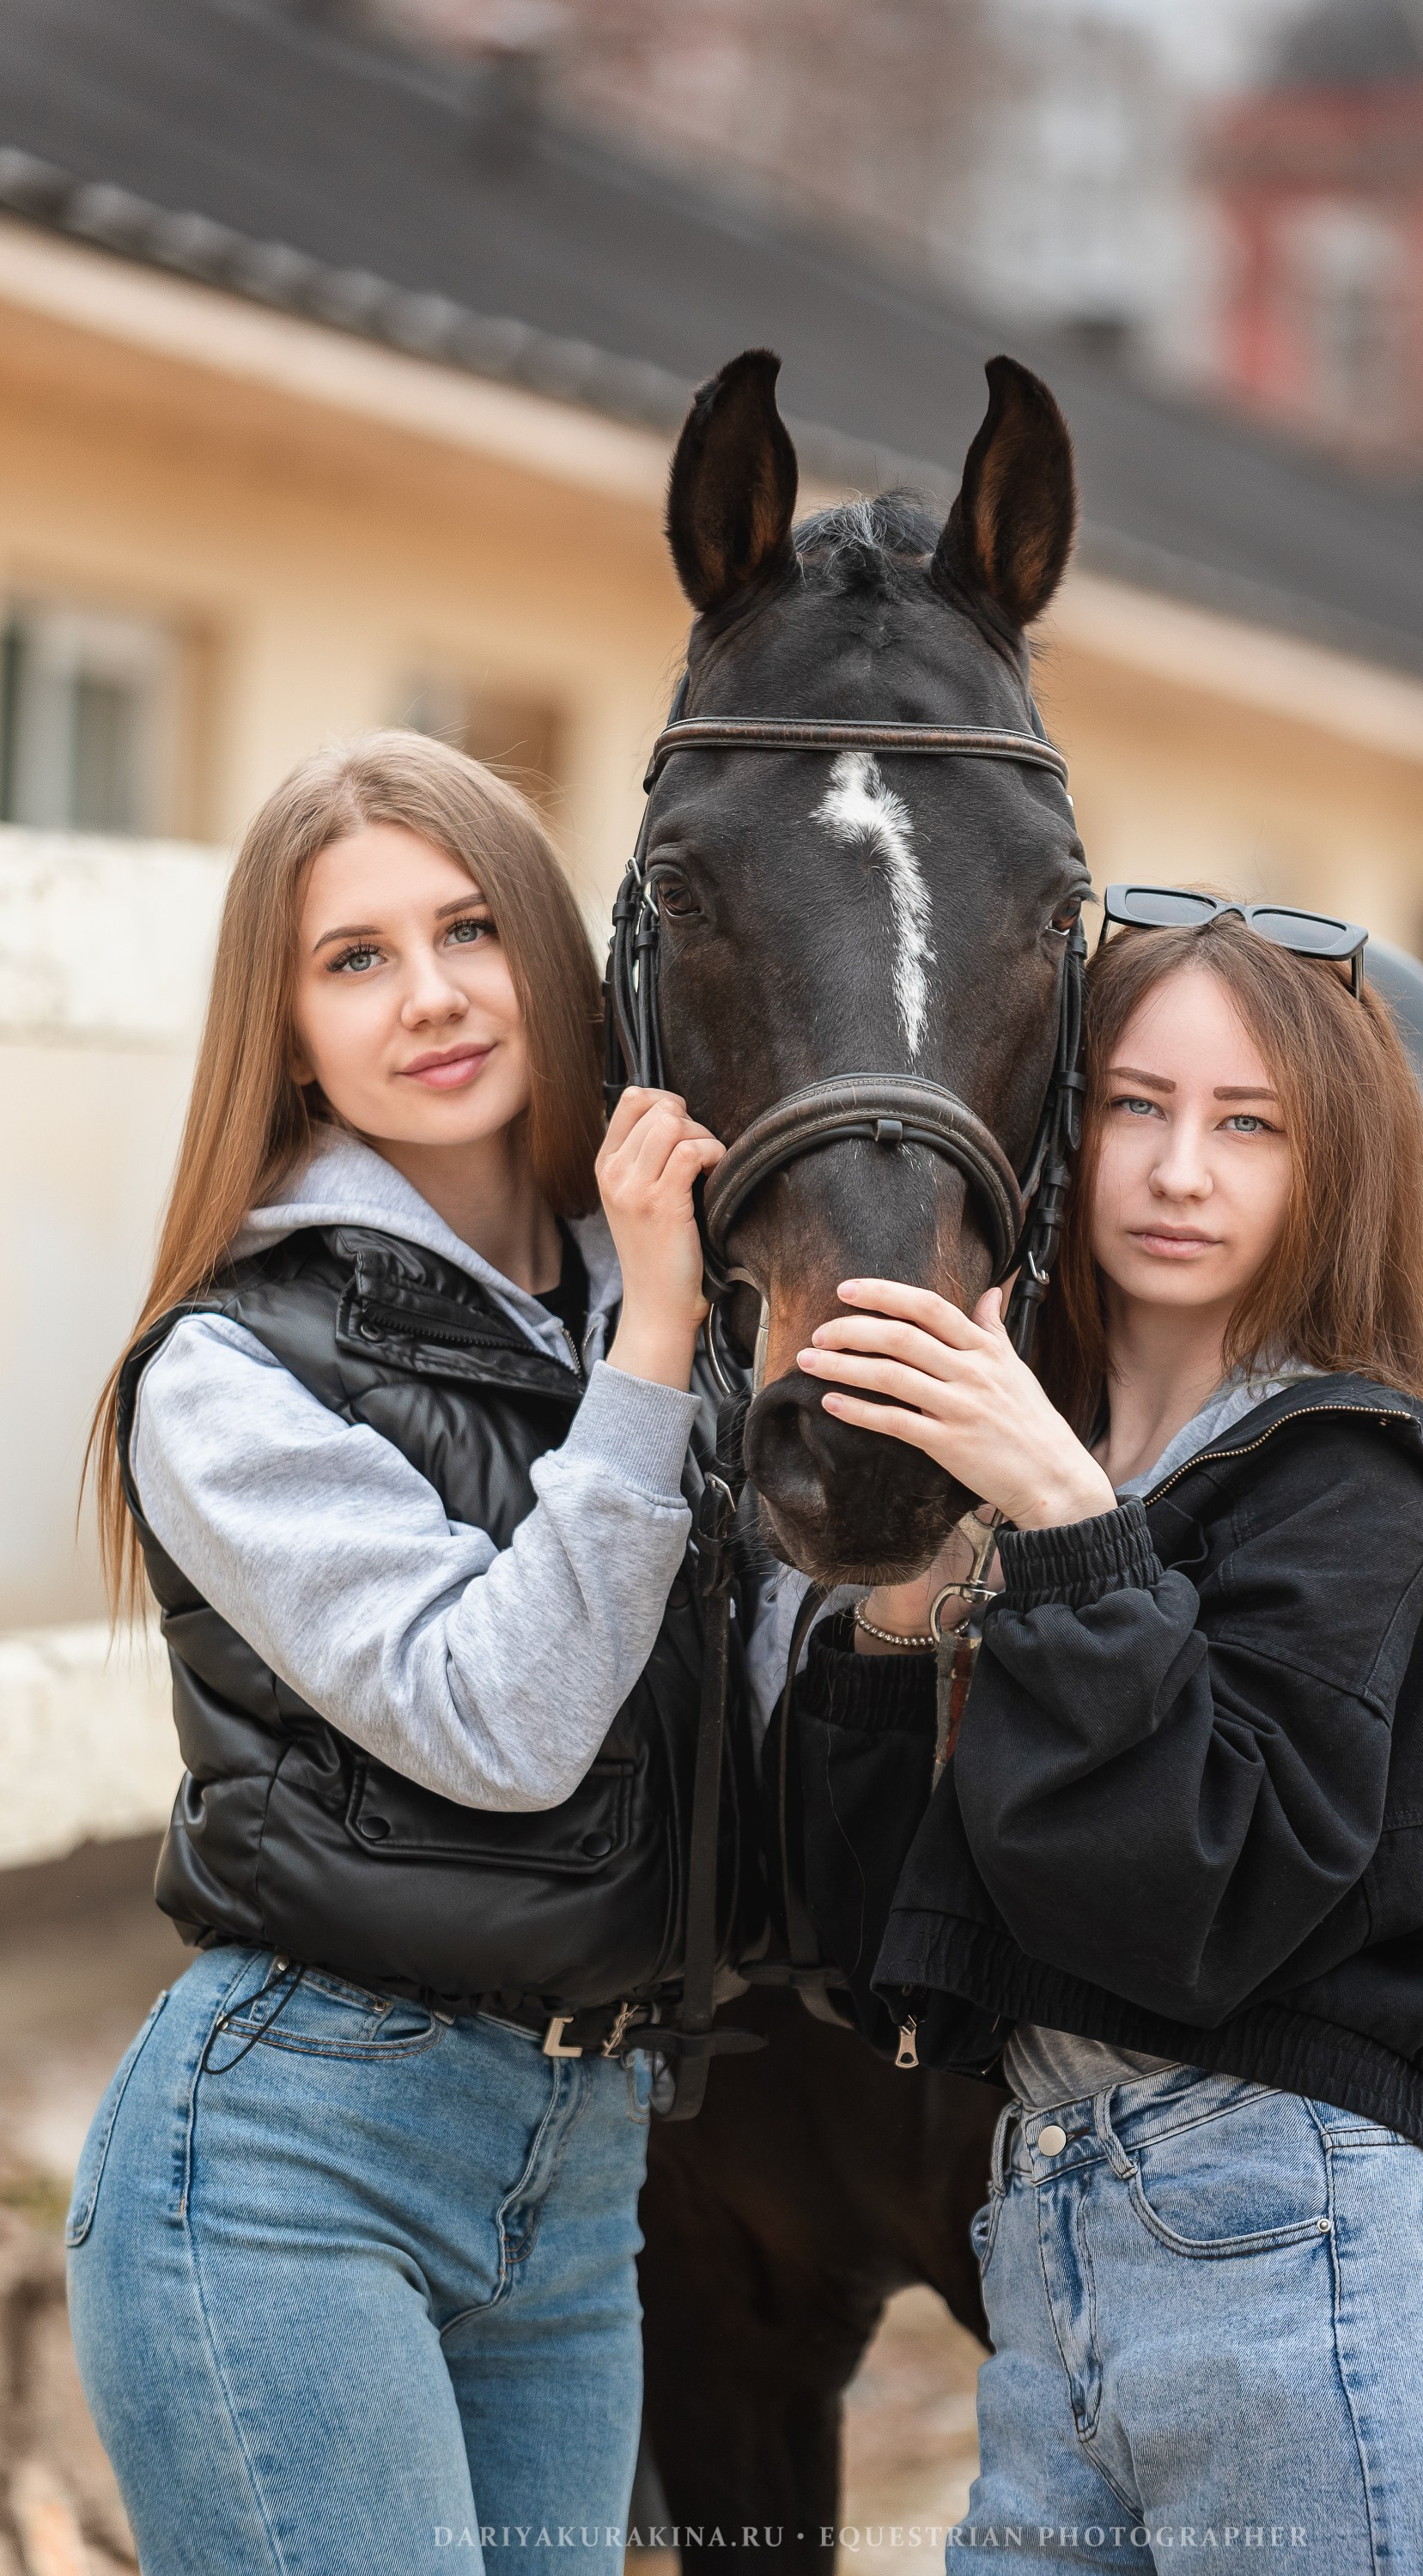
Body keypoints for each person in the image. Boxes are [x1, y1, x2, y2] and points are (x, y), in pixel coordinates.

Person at [790, 902, 1423, 2573]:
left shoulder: (1358, 1483)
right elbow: (874, 1951)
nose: (1181, 1170)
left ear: (1331, 1162)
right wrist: (908, 1606)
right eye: (1136, 1105)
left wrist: (1067, 1524)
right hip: (1051, 2263)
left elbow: (1197, 1899)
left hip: (1302, 2250)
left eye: (1249, 1123)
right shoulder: (1017, 1478)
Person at [70, 732, 725, 2574]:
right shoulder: (229, 1370)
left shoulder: (653, 1287)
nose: (430, 996)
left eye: (468, 930)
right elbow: (497, 1719)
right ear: (283, 1030)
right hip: (294, 2165)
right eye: (354, 959)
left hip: (581, 2168)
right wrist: (660, 1348)